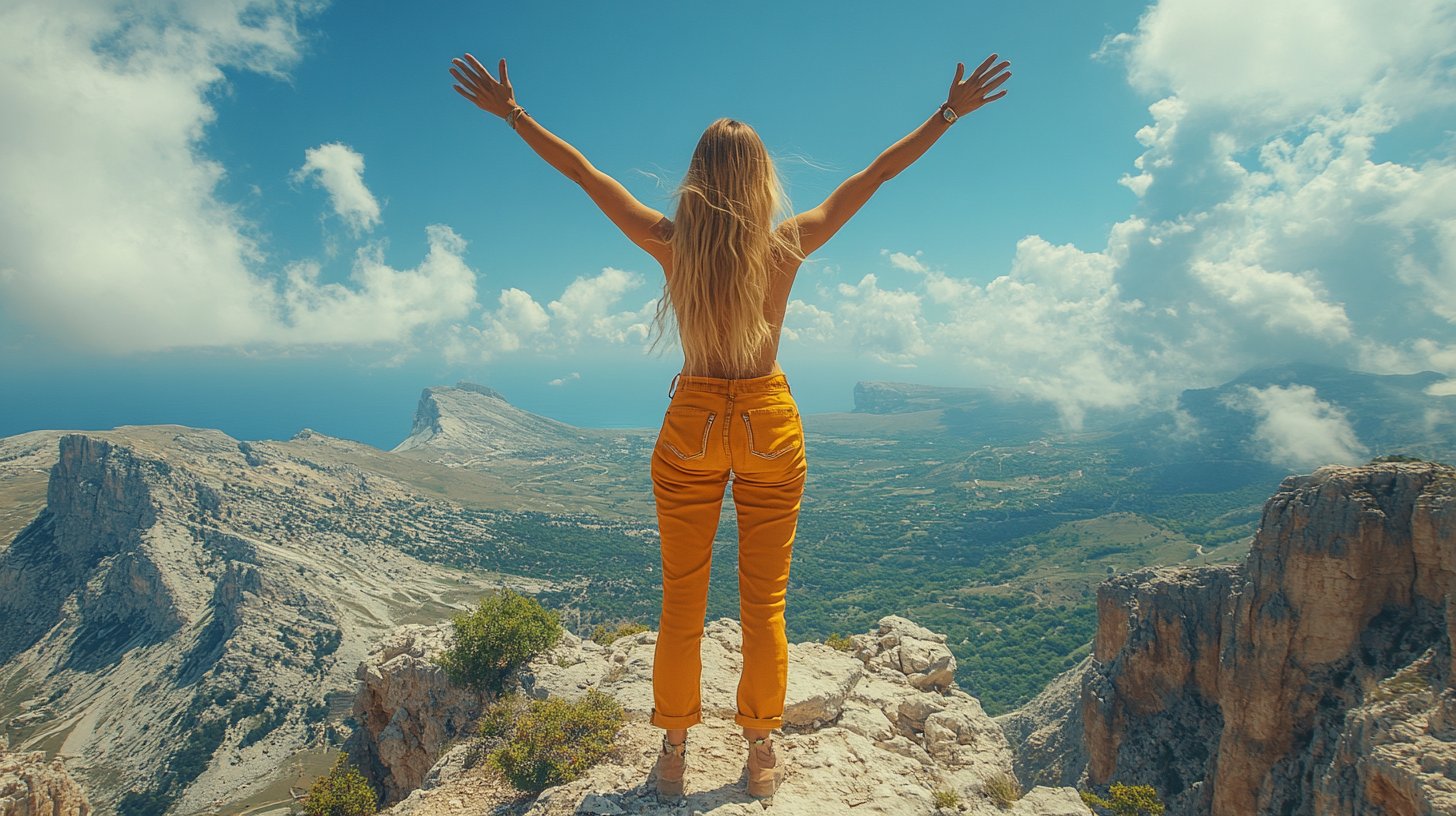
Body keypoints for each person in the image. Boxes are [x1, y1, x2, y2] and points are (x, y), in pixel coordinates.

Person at [448, 51, 1011, 801]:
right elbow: (875, 175)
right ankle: (759, 753)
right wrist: (946, 114)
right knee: (764, 603)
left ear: (696, 175)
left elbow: (583, 174)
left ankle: (676, 752)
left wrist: (514, 114)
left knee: (681, 601)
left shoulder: (670, 240)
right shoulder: (787, 243)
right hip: (768, 424)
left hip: (691, 423)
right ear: (761, 178)